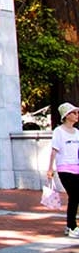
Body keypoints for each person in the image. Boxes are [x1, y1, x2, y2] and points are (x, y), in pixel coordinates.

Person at [48, 102, 79, 238]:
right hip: (64, 168)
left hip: (77, 167)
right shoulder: (58, 132)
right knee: (75, 196)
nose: (77, 115)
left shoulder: (77, 132)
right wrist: (50, 168)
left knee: (76, 197)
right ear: (66, 116)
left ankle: (69, 225)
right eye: (74, 113)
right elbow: (54, 150)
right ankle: (72, 226)